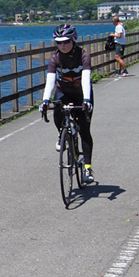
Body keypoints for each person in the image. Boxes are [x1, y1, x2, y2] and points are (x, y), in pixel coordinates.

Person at [40, 23, 95, 183]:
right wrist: (45, 100)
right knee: (57, 110)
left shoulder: (83, 55)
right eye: (59, 42)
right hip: (63, 91)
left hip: (81, 93)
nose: (62, 45)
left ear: (74, 40)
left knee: (84, 130)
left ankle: (87, 167)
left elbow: (86, 78)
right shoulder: (55, 58)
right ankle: (61, 134)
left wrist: (86, 99)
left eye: (66, 41)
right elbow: (50, 80)